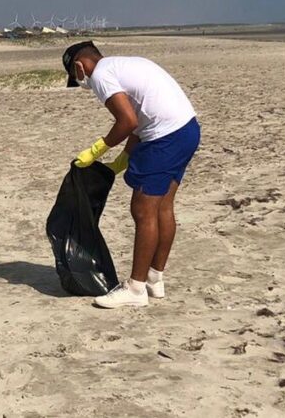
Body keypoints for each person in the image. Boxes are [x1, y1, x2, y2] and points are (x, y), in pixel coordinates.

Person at [63, 41, 200, 308]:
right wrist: (123, 158)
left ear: (79, 67)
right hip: (187, 130)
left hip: (165, 138)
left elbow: (128, 121)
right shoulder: (123, 65)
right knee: (163, 208)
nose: (80, 82)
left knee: (142, 210)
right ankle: (154, 279)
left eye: (75, 77)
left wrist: (97, 149)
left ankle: (135, 289)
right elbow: (141, 117)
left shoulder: (101, 74)